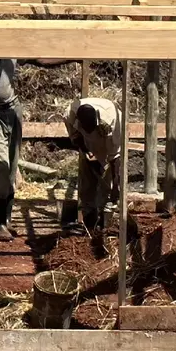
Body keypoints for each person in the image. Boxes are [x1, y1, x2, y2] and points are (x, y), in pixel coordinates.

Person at [64, 95, 119, 249]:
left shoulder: (112, 122)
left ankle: (105, 226)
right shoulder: (70, 114)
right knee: (87, 187)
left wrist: (116, 184)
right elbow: (75, 136)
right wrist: (87, 152)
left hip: (107, 145)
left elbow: (116, 156)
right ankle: (90, 229)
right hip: (88, 147)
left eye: (91, 127)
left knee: (109, 188)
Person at [0, 58, 23, 242]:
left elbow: (39, 58)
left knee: (12, 163)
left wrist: (74, 57)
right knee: (3, 164)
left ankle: (7, 218)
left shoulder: (11, 51)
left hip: (12, 109)